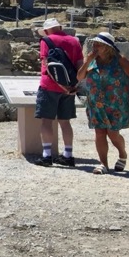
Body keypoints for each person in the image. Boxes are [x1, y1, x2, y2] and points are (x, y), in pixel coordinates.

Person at [77, 31, 129, 175]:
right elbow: (80, 76)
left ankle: (122, 154)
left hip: (116, 104)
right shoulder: (92, 61)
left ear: (108, 47)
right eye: (94, 43)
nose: (95, 46)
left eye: (99, 44)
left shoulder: (120, 60)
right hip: (95, 103)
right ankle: (103, 164)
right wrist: (87, 61)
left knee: (113, 133)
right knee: (99, 132)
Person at [33, 18, 84, 167]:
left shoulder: (46, 40)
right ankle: (68, 155)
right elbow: (80, 65)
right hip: (70, 87)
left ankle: (47, 155)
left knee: (46, 121)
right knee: (65, 122)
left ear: (47, 30)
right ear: (60, 27)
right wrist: (73, 85)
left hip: (49, 86)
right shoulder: (74, 41)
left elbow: (47, 64)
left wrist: (61, 85)